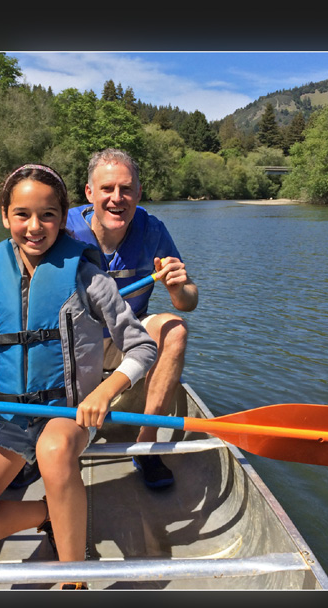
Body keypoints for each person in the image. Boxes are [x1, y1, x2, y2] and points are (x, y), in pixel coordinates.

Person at [0, 163, 157, 590]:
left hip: (69, 415)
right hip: (6, 418)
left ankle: (73, 579)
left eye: (48, 215)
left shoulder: (89, 280)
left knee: (55, 449)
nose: (34, 227)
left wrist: (107, 391)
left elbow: (142, 346)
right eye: (22, 214)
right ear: (5, 215)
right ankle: (50, 515)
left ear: (63, 216)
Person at [66, 149, 198, 490]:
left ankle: (147, 444)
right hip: (72, 340)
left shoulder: (152, 230)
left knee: (175, 329)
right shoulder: (63, 230)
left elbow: (188, 303)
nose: (117, 198)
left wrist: (178, 286)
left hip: (128, 336)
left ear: (139, 193)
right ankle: (33, 439)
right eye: (107, 188)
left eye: (126, 189)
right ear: (89, 193)